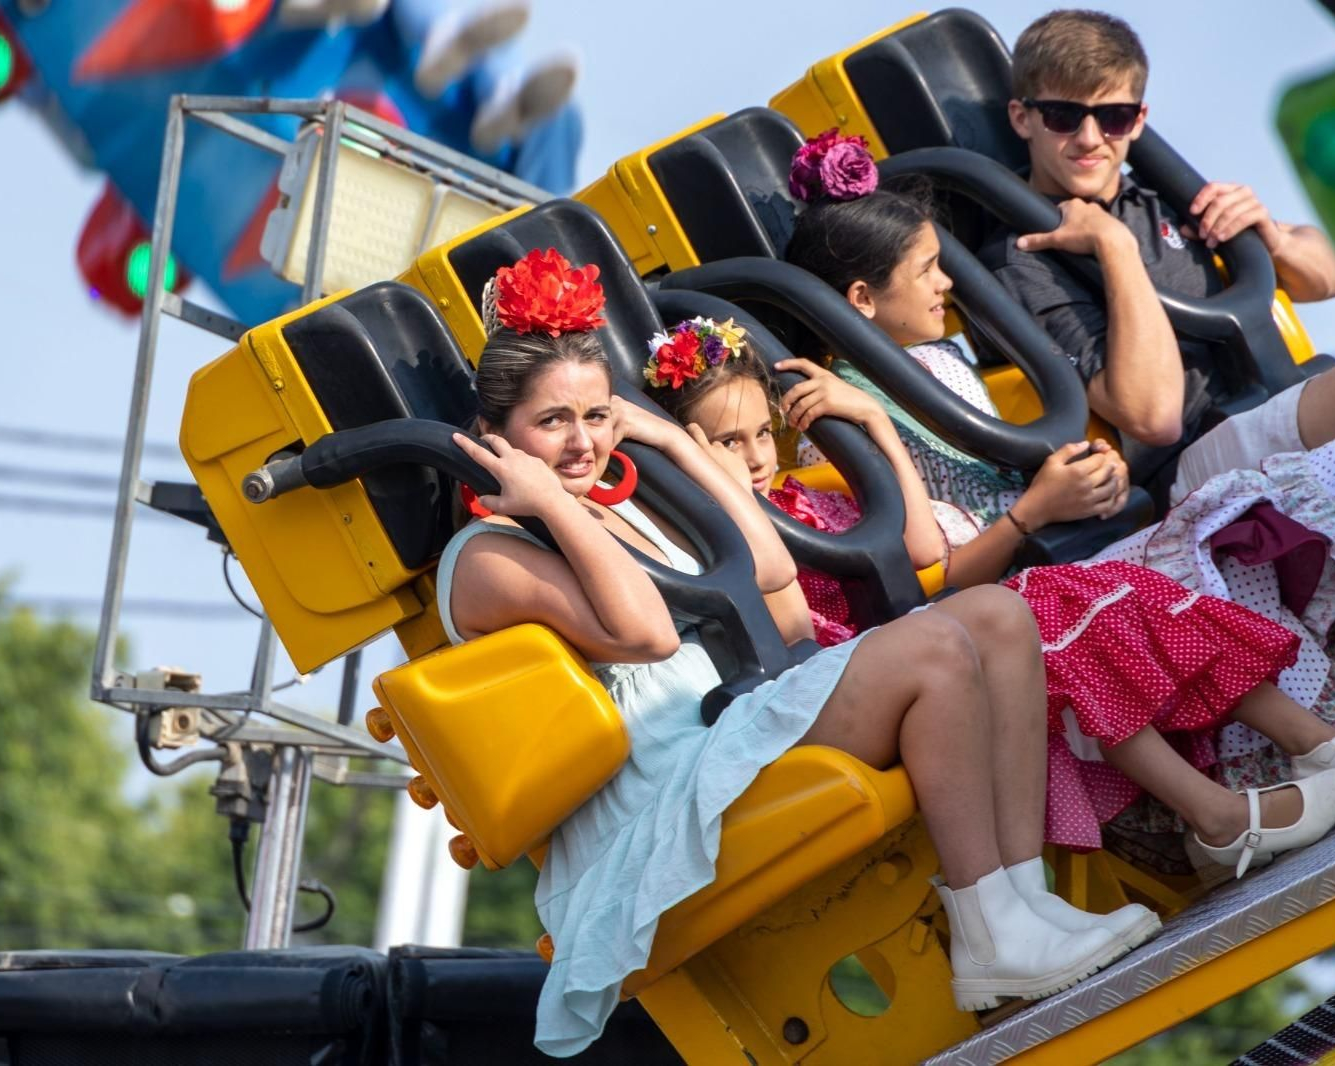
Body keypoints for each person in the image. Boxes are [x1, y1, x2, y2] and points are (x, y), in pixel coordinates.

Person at [439, 249, 1160, 1056]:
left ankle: (1021, 900)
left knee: (997, 615)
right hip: (667, 780)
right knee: (933, 653)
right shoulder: (486, 555)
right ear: (491, 438)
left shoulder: (620, 500)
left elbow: (771, 568)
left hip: (734, 722)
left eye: (598, 415)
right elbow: (644, 631)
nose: (583, 443)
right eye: (553, 422)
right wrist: (547, 501)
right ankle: (988, 925)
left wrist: (676, 450)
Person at [778, 137, 1335, 866]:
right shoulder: (839, 418)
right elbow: (926, 575)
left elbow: (1011, 465)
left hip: (1053, 553)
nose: (946, 285)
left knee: (1197, 553)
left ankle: (1331, 739)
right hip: (993, 592)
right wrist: (1034, 509)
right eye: (927, 271)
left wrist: (1087, 481)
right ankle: (1279, 771)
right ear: (863, 300)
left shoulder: (938, 361)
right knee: (1127, 590)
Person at [647, 316, 1335, 871]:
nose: (753, 458)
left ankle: (1319, 744)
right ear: (687, 448)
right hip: (866, 680)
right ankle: (1220, 815)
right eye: (725, 441)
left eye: (760, 435)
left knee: (1110, 589)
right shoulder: (719, 539)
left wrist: (874, 428)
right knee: (1049, 615)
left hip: (928, 635)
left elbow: (924, 554)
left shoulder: (806, 501)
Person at [985, 8, 1335, 651]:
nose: (1091, 138)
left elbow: (1329, 278)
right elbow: (1151, 416)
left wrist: (1269, 235)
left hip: (1272, 401)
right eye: (1064, 117)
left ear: (1140, 120)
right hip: (1183, 464)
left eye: (1115, 117)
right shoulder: (1024, 251)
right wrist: (1115, 251)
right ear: (1023, 119)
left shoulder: (1159, 197)